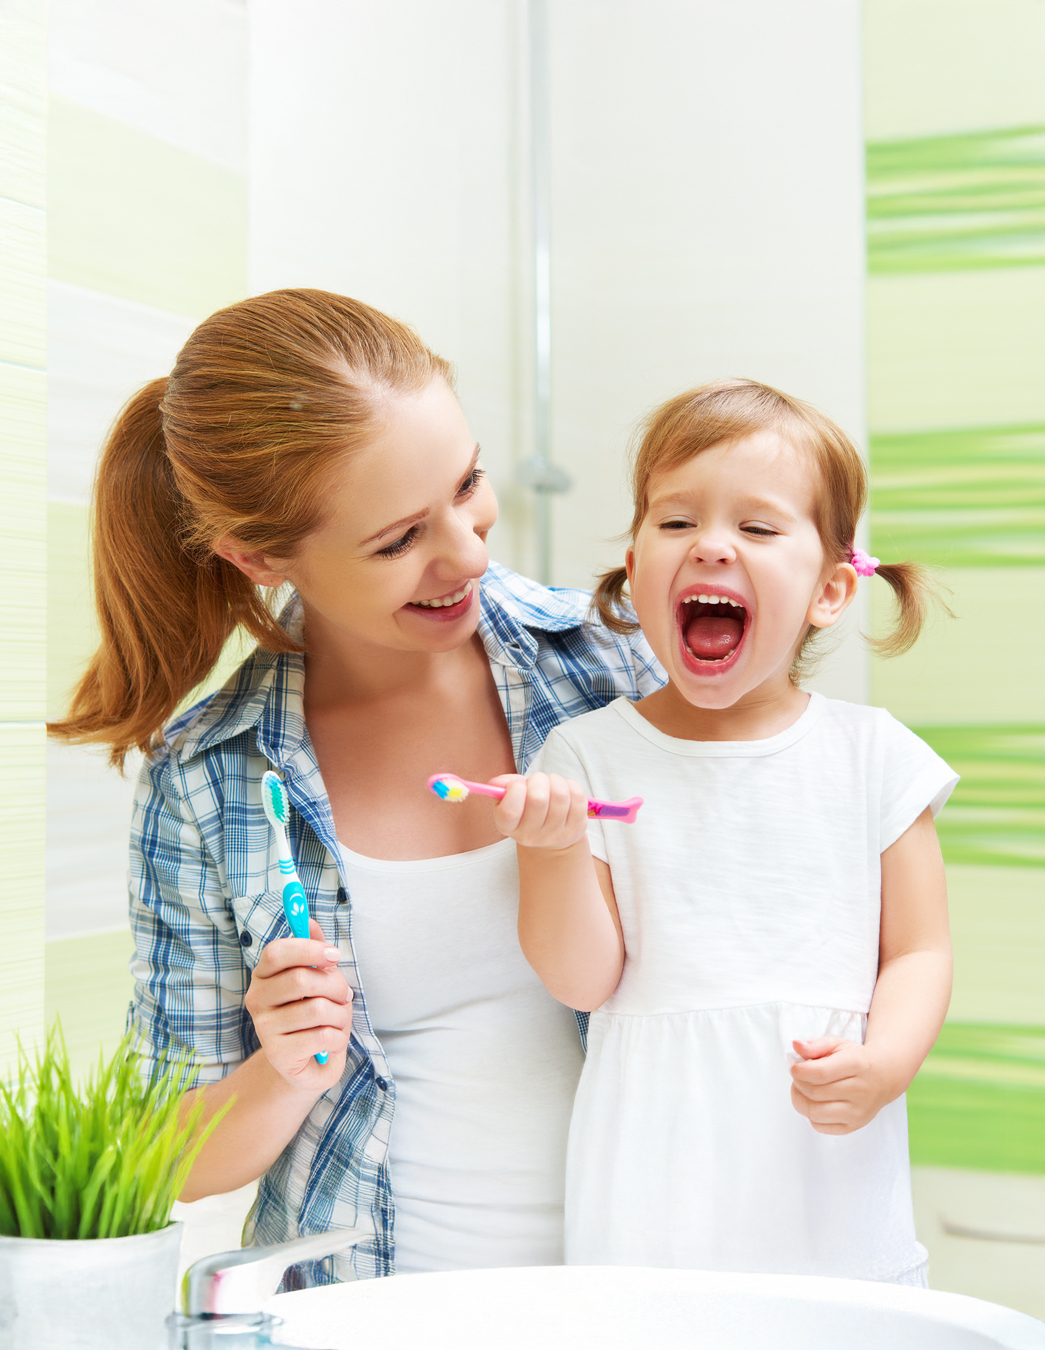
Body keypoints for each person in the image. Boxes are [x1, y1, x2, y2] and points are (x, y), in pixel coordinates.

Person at [47, 289, 663, 1286]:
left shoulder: (614, 667)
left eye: (468, 485)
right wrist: (281, 1069)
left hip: (636, 1292)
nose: (465, 550)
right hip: (356, 1311)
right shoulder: (211, 779)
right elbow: (174, 1158)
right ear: (257, 555)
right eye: (397, 540)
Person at [489, 379, 956, 1286]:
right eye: (675, 523)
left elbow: (919, 952)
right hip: (650, 1193)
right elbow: (583, 980)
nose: (709, 544)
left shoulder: (873, 757)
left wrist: (887, 1060)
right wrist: (550, 850)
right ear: (633, 566)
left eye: (757, 526)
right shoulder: (584, 756)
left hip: (824, 1179)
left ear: (828, 590)